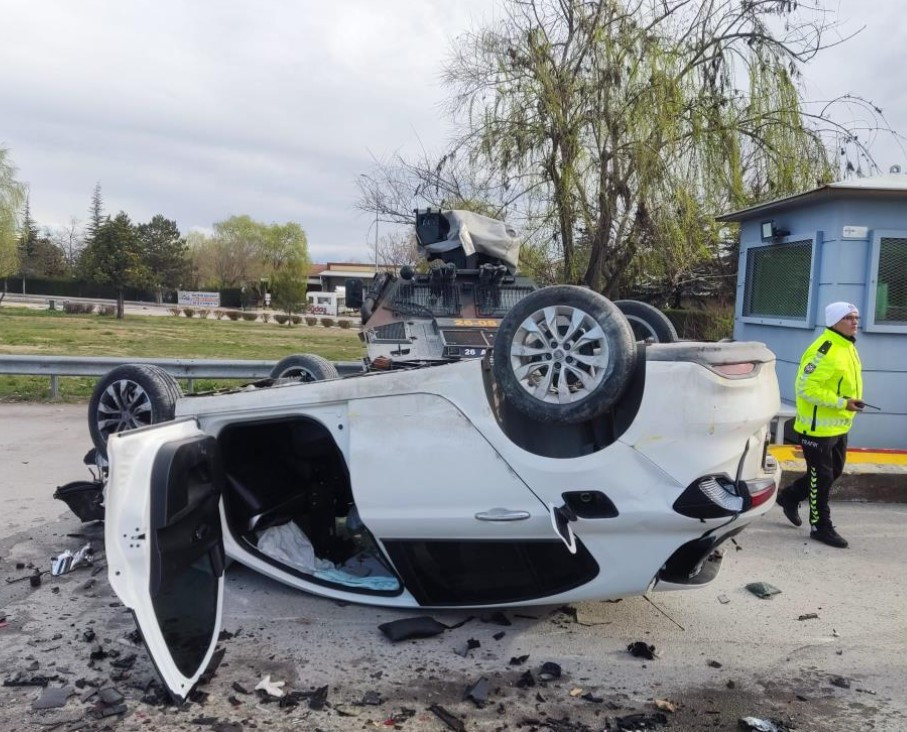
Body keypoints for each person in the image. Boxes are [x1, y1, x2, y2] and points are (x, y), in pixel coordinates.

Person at [776, 301, 864, 548]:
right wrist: (842, 403)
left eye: (856, 317)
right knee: (821, 477)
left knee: (832, 472)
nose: (855, 322)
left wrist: (847, 405)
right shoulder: (823, 350)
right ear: (834, 321)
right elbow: (806, 388)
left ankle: (789, 497)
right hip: (817, 429)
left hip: (838, 425)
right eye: (849, 318)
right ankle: (820, 526)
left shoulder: (846, 346)